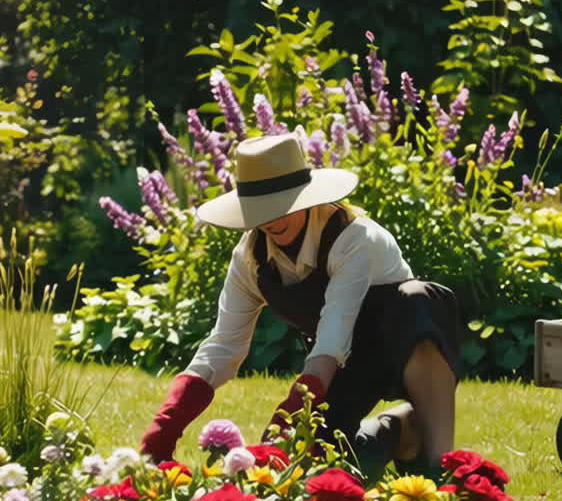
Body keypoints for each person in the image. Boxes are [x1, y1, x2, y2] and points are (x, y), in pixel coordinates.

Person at [138, 134, 461, 475]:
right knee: (306, 472)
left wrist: (289, 414)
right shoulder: (251, 258)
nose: (273, 219)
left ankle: (442, 467)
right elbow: (224, 344)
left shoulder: (353, 238)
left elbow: (335, 330)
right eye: (261, 209)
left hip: (405, 349)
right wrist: (166, 424)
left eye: (284, 204)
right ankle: (400, 429)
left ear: (306, 197)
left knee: (417, 299)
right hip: (344, 368)